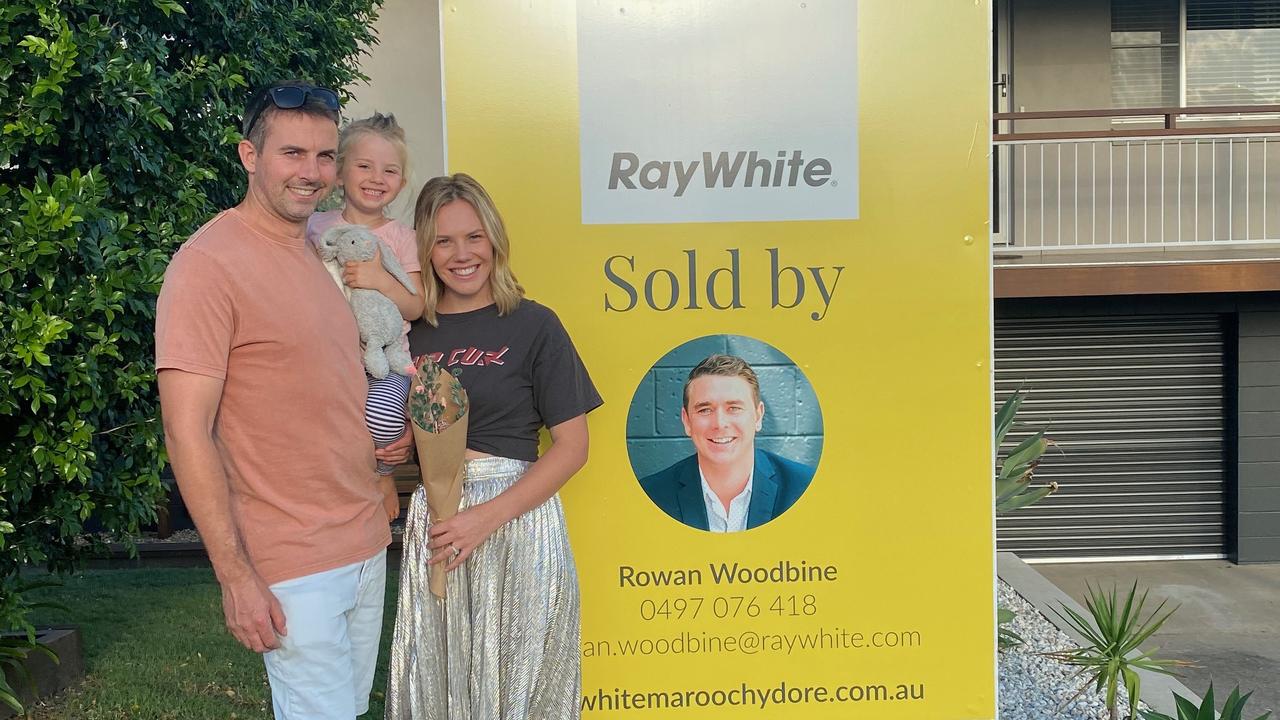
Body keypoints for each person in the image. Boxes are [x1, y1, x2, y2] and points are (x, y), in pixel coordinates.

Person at [155, 81, 392, 719]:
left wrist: (378, 452)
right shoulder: (208, 265)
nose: (310, 173)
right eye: (291, 154)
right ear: (249, 156)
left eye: (323, 157)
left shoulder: (321, 253)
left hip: (365, 541)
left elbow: (317, 392)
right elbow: (186, 431)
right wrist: (235, 575)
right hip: (292, 561)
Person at [379, 173, 602, 719]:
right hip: (437, 521)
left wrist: (486, 519)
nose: (462, 255)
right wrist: (394, 448)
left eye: (474, 237)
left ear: (495, 240)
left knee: (517, 679)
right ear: (424, 250)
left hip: (517, 519)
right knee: (441, 677)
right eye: (444, 240)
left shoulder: (533, 325)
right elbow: (397, 425)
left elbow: (572, 447)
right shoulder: (410, 333)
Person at [307, 112, 424, 500]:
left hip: (389, 360)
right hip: (331, 361)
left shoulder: (403, 237)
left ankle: (385, 474)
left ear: (401, 182)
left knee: (383, 418)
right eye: (364, 166)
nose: (377, 178)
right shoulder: (314, 227)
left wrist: (378, 279)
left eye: (389, 171)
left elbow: (416, 306)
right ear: (340, 173)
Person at [639, 354, 815, 532]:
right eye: (705, 410)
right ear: (687, 421)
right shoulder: (650, 496)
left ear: (758, 416)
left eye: (734, 408)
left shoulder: (806, 488)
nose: (719, 423)